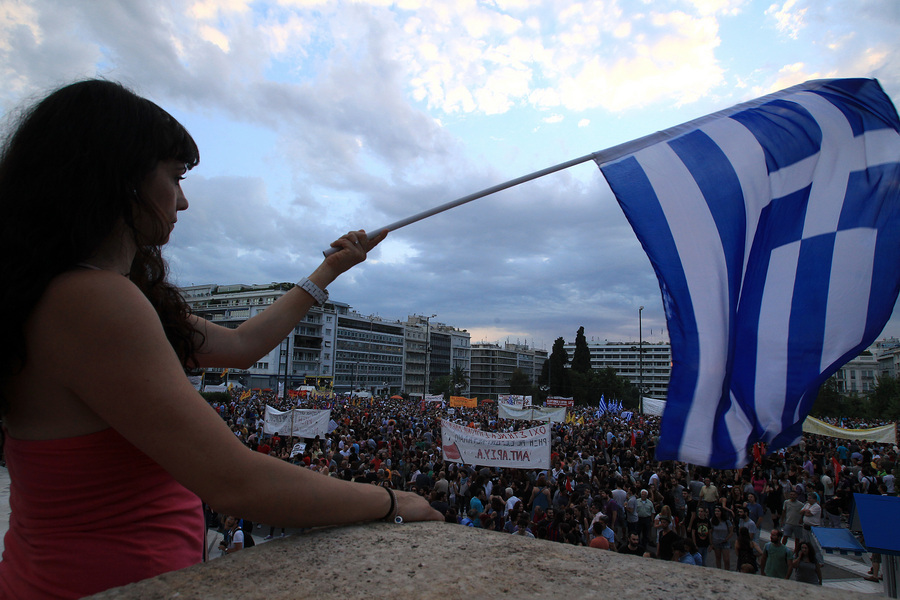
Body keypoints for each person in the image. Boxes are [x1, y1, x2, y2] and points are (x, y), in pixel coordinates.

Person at [0, 79, 441, 599]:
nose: (183, 201)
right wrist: (392, 502)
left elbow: (240, 346)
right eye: (175, 177)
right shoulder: (93, 301)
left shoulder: (64, 293)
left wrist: (327, 271)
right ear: (121, 179)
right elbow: (236, 481)